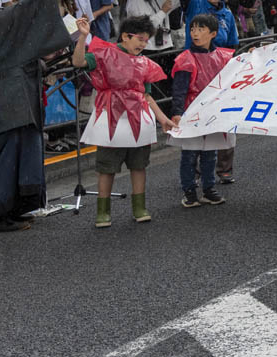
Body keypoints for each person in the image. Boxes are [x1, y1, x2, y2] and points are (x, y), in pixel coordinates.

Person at [0, 0, 79, 232]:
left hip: (14, 99)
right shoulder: (3, 19)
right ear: (12, 1)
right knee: (5, 158)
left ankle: (16, 209)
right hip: (6, 102)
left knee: (19, 156)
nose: (27, 4)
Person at [71, 14, 173, 228]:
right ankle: (103, 211)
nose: (144, 44)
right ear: (126, 36)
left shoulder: (144, 63)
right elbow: (78, 62)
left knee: (139, 165)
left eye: (147, 41)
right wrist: (83, 37)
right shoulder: (104, 52)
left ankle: (139, 207)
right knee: (107, 167)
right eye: (141, 39)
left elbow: (147, 95)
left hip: (138, 116)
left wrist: (162, 118)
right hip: (111, 115)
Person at [169, 12, 235, 208]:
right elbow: (179, 90)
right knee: (190, 153)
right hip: (191, 110)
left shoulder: (222, 56)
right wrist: (177, 112)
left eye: (201, 29)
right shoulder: (185, 59)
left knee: (210, 153)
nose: (195, 33)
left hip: (213, 111)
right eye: (192, 28)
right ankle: (189, 190)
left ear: (213, 33)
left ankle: (209, 188)